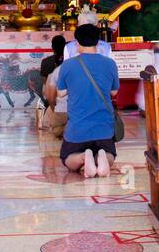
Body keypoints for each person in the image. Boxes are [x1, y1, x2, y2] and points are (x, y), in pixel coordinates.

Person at [50, 23, 120, 178]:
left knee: (67, 160)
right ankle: (101, 155)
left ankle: (84, 156)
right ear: (97, 42)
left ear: (76, 43)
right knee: (110, 154)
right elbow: (114, 92)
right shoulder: (110, 63)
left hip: (77, 128)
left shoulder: (68, 65)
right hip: (104, 127)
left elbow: (60, 94)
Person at [38, 35, 68, 134]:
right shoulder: (70, 62)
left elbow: (44, 82)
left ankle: (46, 122)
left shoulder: (46, 62)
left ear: (52, 47)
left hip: (51, 94)